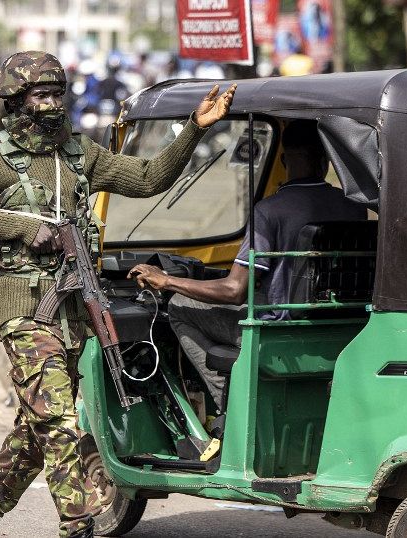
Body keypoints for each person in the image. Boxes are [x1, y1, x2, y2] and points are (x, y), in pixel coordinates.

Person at [0, 50, 235, 538]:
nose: (51, 104)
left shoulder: (78, 153)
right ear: (16, 100)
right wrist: (21, 228)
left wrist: (196, 128)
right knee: (59, 420)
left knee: (37, 430)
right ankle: (79, 525)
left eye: (56, 94)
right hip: (24, 310)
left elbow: (148, 178)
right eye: (40, 94)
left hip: (72, 313)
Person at [128, 120, 367, 406]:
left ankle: (227, 403)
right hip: (335, 328)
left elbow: (234, 291)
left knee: (179, 305)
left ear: (282, 159)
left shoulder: (270, 211)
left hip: (276, 333)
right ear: (325, 159)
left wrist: (168, 281)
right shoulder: (353, 207)